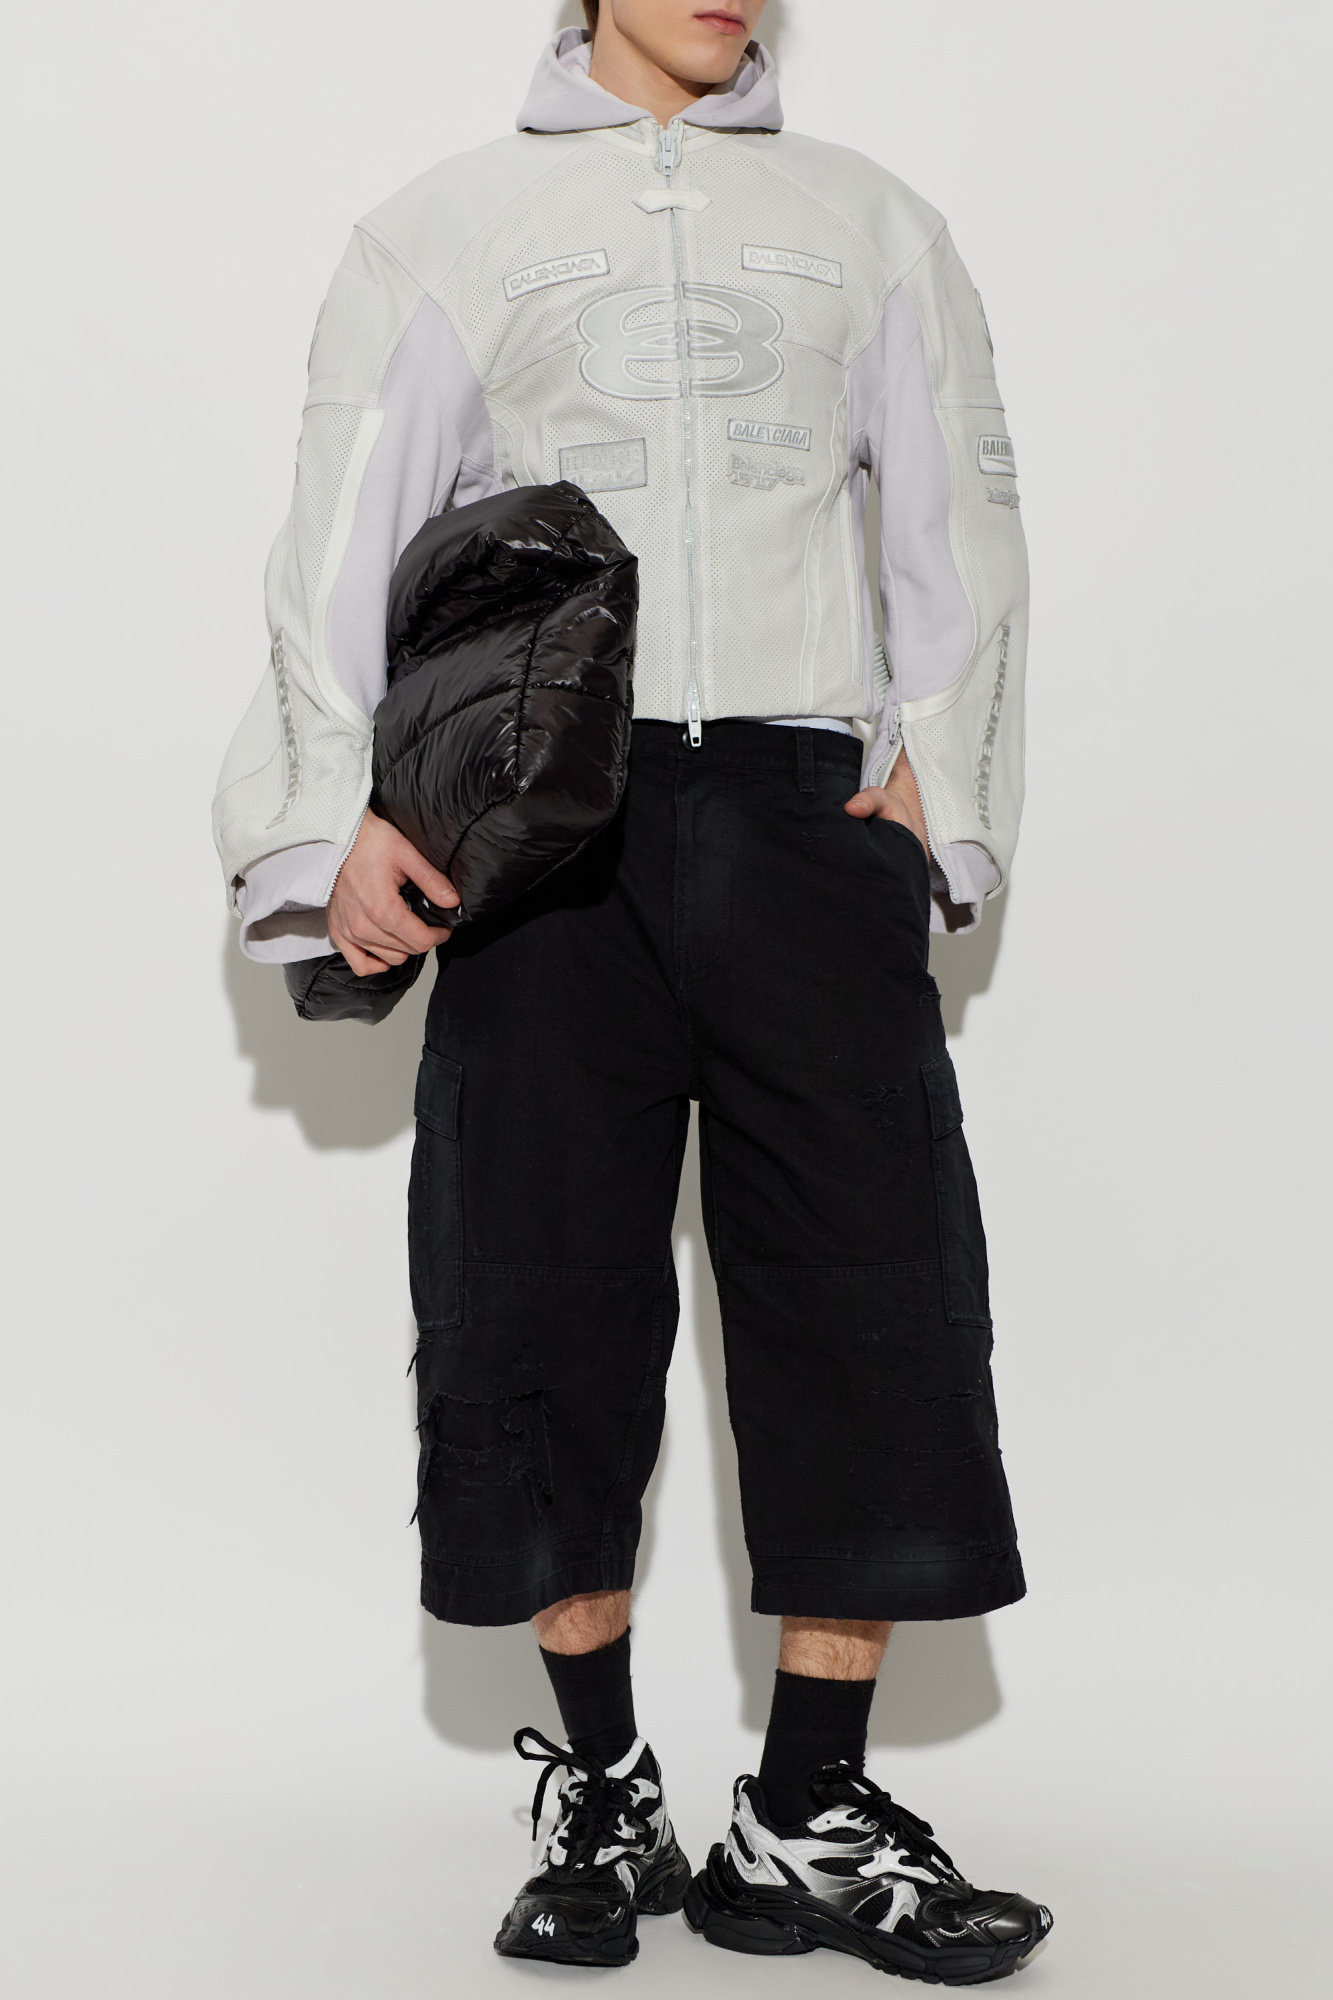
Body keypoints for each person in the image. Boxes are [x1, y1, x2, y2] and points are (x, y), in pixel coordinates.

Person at [212, 0, 1051, 1980]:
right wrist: (325, 823)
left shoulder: (870, 221)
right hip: (546, 832)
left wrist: (940, 791)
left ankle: (807, 1812)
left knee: (867, 1289)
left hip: (802, 808)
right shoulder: (444, 226)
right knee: (532, 1292)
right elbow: (337, 546)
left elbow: (963, 533)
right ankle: (600, 1786)